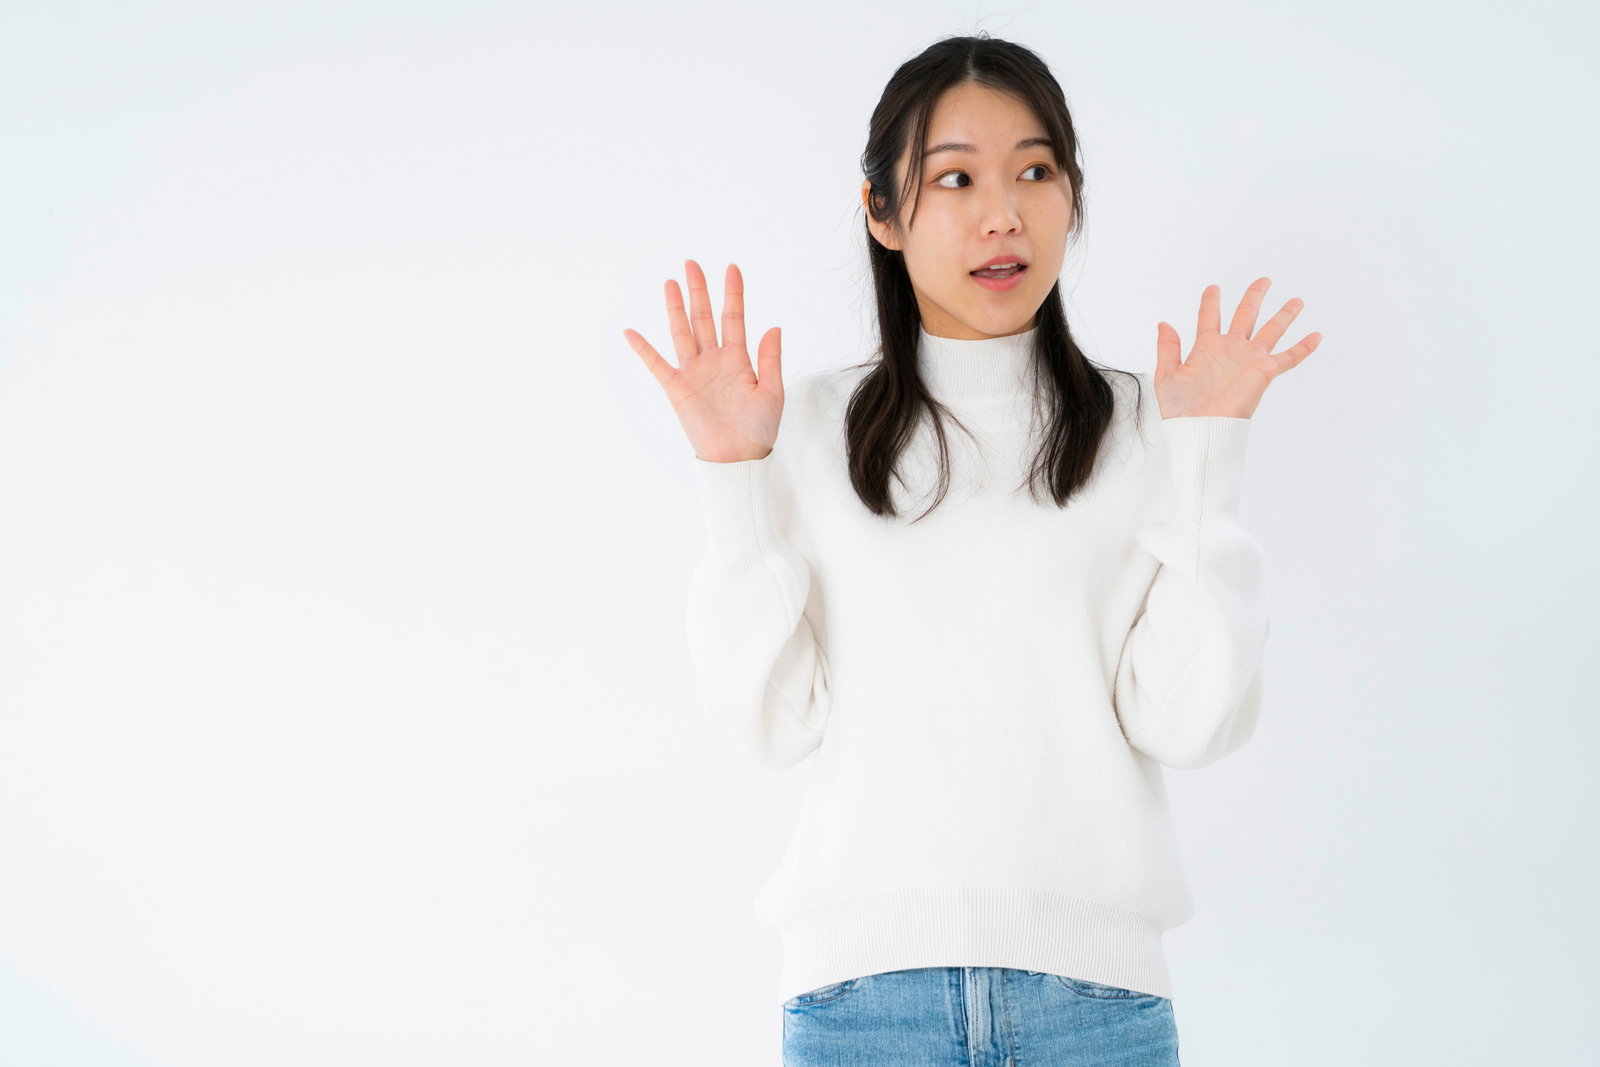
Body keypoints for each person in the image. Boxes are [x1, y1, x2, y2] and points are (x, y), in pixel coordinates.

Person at [623, 32, 1321, 1067]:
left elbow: (1188, 718)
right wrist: (734, 475)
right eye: (955, 178)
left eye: (1036, 171)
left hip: (1098, 1005)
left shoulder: (1148, 423)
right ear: (882, 212)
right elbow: (771, 720)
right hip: (861, 1003)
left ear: (1071, 197)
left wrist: (1204, 456)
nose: (1004, 213)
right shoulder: (802, 424)